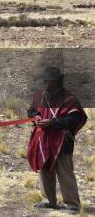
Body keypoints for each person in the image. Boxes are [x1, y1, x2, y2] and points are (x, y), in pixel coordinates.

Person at [27, 66, 88, 213]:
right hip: (43, 139)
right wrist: (36, 117)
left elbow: (74, 120)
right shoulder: (39, 96)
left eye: (50, 81)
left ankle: (72, 205)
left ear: (58, 81)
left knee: (65, 173)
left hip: (62, 142)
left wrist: (52, 123)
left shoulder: (70, 100)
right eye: (45, 81)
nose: (46, 84)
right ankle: (49, 200)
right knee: (44, 168)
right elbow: (31, 110)